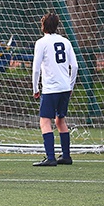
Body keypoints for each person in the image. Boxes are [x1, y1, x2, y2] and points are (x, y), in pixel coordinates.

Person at [31, 12, 77, 166]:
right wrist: (70, 85)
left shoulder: (41, 43)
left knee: (45, 121)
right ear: (57, 26)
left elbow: (36, 69)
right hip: (65, 87)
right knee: (60, 120)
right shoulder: (66, 42)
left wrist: (35, 88)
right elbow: (75, 66)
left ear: (43, 26)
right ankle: (66, 156)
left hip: (51, 89)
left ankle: (50, 157)